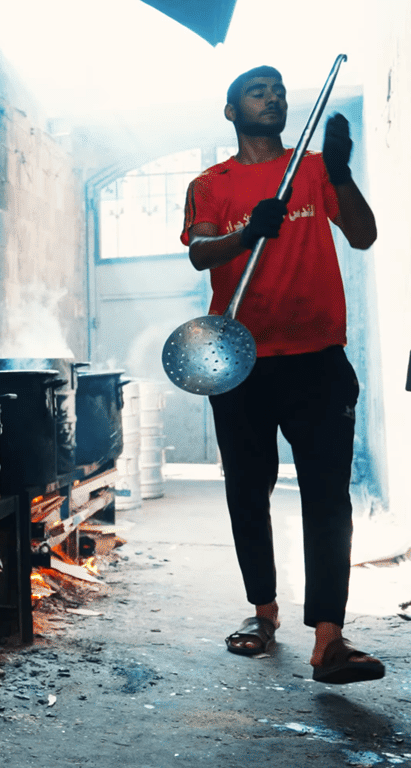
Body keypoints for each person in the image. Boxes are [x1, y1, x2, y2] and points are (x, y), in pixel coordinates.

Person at [179, 65, 382, 684]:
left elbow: (365, 235)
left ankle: (329, 637)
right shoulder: (211, 183)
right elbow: (198, 253)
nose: (274, 99)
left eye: (279, 91)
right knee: (248, 488)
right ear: (231, 110)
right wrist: (248, 236)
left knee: (327, 497)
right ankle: (262, 613)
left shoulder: (316, 169)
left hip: (318, 356)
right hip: (241, 359)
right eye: (258, 92)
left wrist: (342, 173)